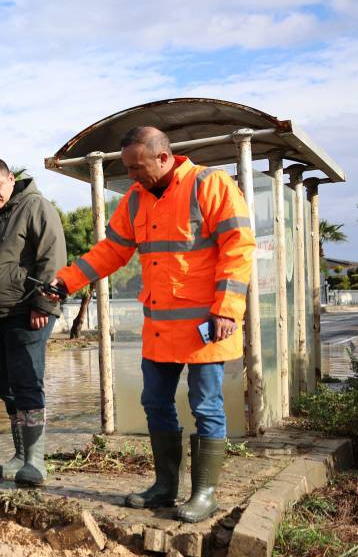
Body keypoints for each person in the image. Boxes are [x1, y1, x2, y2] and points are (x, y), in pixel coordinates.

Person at [46, 126, 254, 523]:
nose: (132, 175)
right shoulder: (136, 200)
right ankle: (164, 488)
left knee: (206, 406)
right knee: (155, 403)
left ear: (163, 157)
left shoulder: (211, 185)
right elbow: (112, 251)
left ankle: (205, 494)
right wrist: (67, 280)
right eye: (127, 168)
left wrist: (227, 308)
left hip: (207, 326)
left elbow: (238, 247)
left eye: (137, 167)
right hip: (160, 326)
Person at [0, 158, 66, 487]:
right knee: (4, 386)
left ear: (11, 179)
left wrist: (43, 303)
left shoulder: (36, 208)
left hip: (27, 311)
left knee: (26, 382)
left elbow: (54, 257)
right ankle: (20, 455)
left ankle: (36, 461)